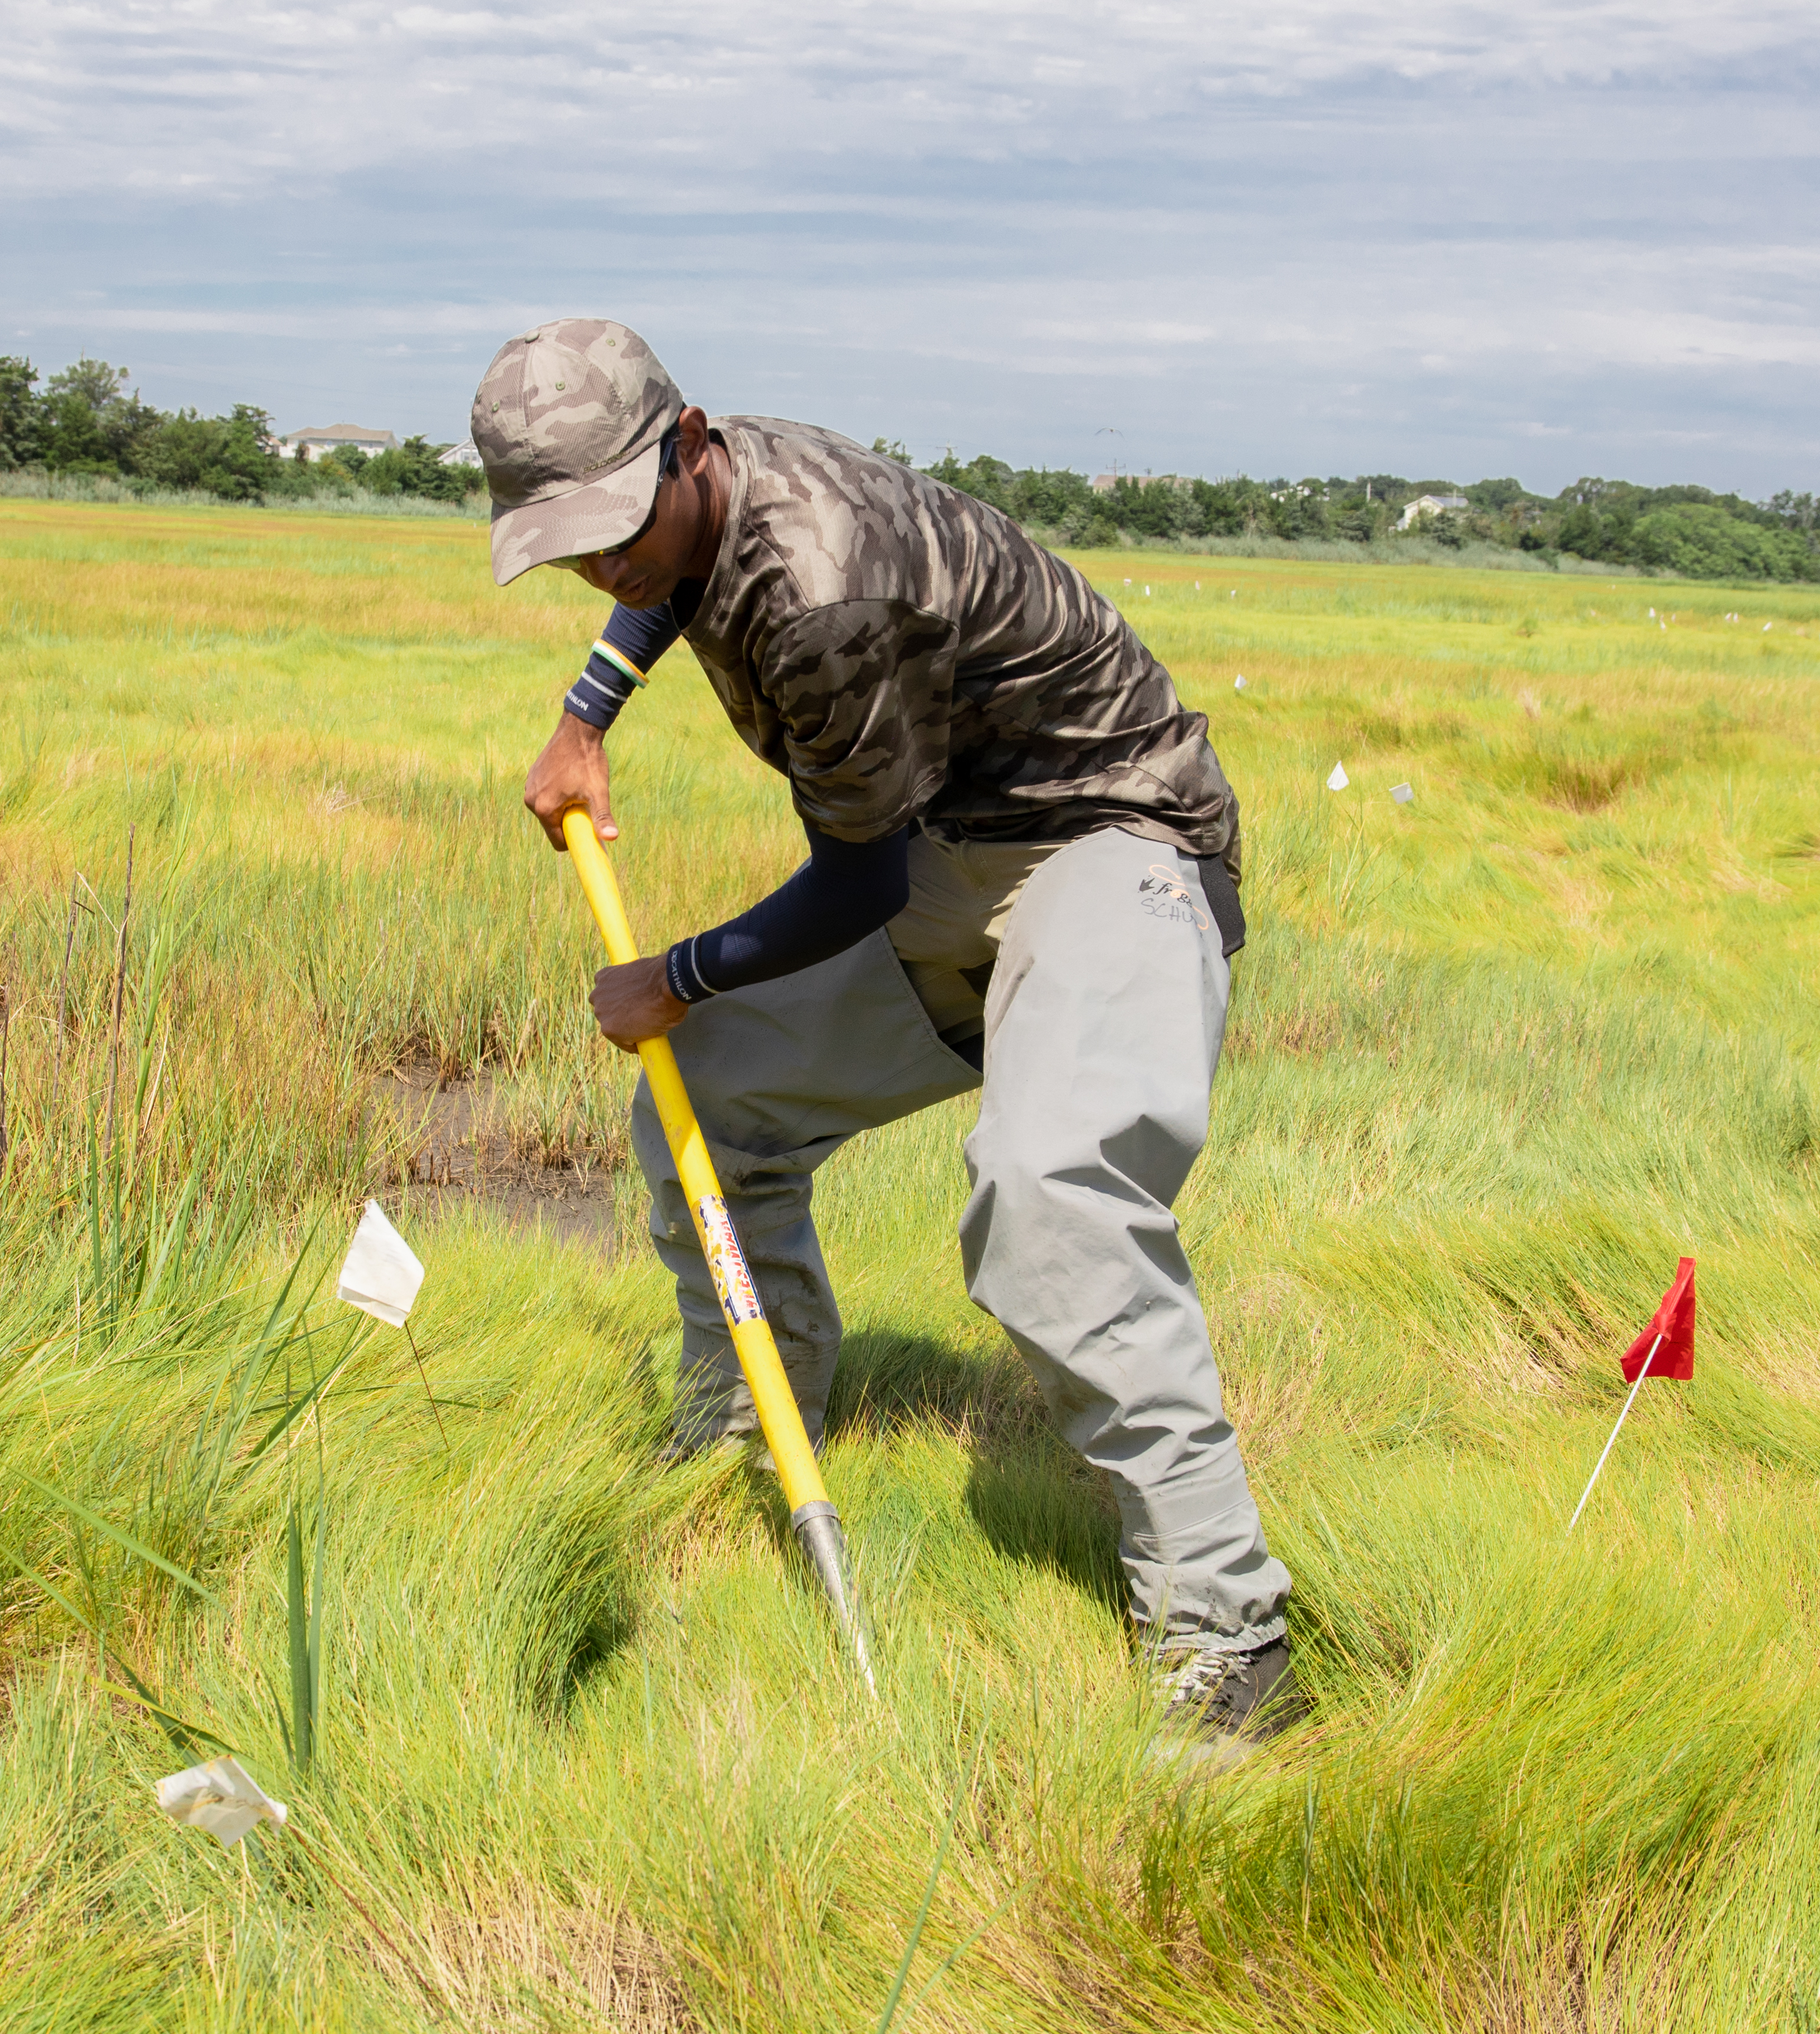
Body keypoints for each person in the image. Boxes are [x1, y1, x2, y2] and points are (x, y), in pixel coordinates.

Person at [471, 318, 1294, 1743]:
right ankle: (746, 1424)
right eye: (572, 543)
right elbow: (665, 573)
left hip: (1110, 842)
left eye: (616, 524)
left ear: (690, 439)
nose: (605, 567)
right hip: (945, 857)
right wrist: (586, 709)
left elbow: (850, 881)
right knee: (712, 1101)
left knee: (1046, 1193)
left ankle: (1227, 1635)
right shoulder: (697, 505)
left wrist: (675, 970)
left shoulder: (828, 577)